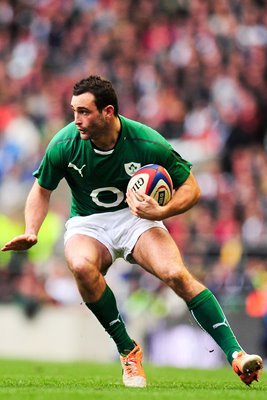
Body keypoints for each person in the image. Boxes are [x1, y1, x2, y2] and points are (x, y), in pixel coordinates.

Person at [1, 75, 263, 387]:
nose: (77, 120)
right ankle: (128, 350)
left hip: (137, 218)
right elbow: (41, 189)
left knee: (177, 275)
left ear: (108, 112)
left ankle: (236, 354)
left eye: (84, 112)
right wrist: (32, 229)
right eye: (74, 111)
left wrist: (163, 211)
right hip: (89, 221)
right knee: (81, 266)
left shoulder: (146, 141)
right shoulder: (64, 143)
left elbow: (190, 187)